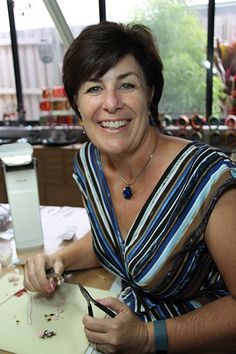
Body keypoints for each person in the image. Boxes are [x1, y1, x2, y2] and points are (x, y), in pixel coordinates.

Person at [24, 21, 236, 354]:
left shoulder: (208, 179)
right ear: (76, 103)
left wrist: (147, 339)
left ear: (150, 92)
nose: (111, 103)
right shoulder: (89, 162)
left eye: (127, 85)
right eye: (94, 88)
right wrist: (59, 258)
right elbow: (117, 240)